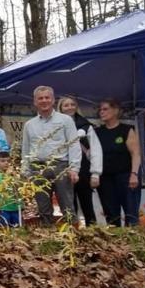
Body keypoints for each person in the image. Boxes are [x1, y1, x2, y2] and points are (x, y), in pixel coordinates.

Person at [20, 86, 82, 224]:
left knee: (67, 205)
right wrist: (25, 170)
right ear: (35, 102)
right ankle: (47, 237)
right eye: (40, 98)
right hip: (38, 168)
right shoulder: (29, 125)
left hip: (61, 166)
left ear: (53, 100)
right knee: (43, 207)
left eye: (47, 97)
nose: (44, 101)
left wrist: (74, 168)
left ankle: (73, 237)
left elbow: (73, 144)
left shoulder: (65, 120)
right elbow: (26, 149)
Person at [95, 98, 142, 227]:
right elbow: (90, 151)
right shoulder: (97, 132)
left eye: (105, 109)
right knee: (111, 213)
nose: (102, 112)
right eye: (100, 110)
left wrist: (134, 174)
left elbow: (135, 154)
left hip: (125, 175)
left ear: (115, 111)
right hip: (105, 178)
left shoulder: (126, 130)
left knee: (131, 212)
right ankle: (115, 241)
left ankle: (133, 238)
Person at [57, 96, 103, 226]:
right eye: (66, 105)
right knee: (69, 206)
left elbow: (95, 149)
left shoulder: (85, 126)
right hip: (63, 168)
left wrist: (95, 173)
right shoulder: (55, 126)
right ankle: (73, 234)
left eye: (72, 104)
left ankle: (93, 232)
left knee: (87, 203)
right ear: (60, 108)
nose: (70, 107)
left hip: (83, 169)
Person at [0, 151, 22, 227]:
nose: (6, 163)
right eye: (3, 161)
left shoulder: (15, 174)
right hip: (4, 207)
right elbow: (1, 185)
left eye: (8, 161)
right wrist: (8, 174)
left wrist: (15, 176)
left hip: (16, 207)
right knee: (5, 228)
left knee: (18, 227)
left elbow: (20, 185)